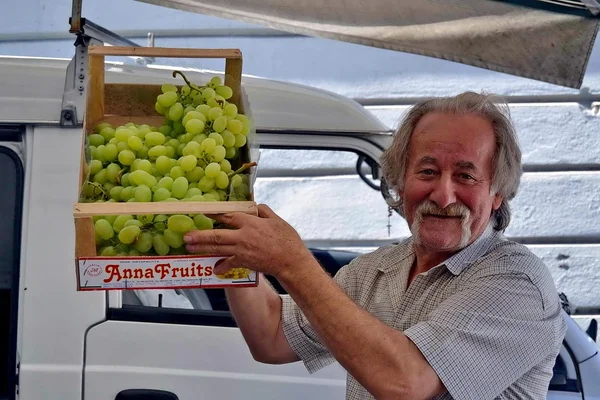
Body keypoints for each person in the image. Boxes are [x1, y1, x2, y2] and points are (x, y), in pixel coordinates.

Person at [183, 92, 567, 400]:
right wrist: (232, 248)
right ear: (400, 181)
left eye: (466, 175)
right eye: (428, 171)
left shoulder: (517, 283)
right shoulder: (376, 270)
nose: (444, 195)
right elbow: (270, 338)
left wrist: (292, 262)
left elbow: (406, 384)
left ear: (497, 193)